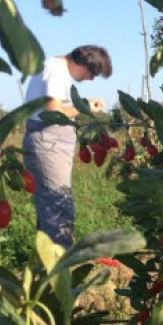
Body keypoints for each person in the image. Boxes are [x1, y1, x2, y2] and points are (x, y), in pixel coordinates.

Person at [22, 45, 112, 247]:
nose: (91, 79)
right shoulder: (56, 70)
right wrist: (84, 107)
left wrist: (83, 104)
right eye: (92, 73)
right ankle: (60, 264)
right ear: (83, 64)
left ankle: (48, 263)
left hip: (47, 141)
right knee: (59, 210)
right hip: (48, 142)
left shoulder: (54, 69)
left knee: (50, 211)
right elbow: (54, 112)